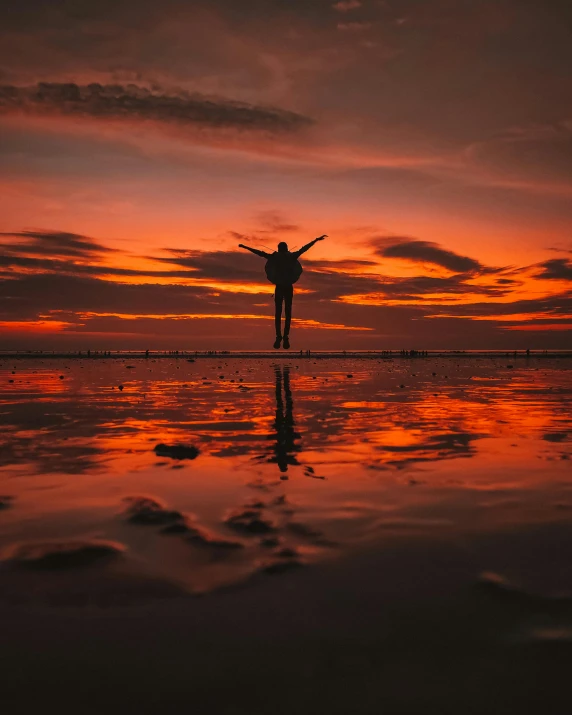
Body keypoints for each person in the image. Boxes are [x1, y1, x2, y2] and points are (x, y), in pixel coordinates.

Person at [238, 235, 327, 349]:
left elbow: (260, 253)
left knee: (278, 313)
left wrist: (245, 247)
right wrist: (315, 240)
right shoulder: (291, 256)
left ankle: (279, 337)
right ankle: (285, 337)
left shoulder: (275, 257)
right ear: (286, 248)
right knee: (287, 313)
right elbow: (304, 249)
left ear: (279, 249)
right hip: (287, 287)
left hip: (280, 287)